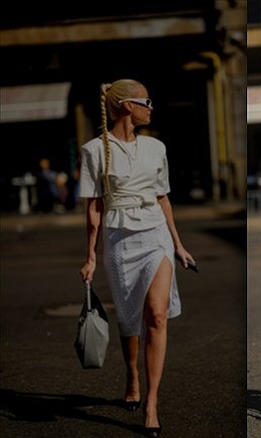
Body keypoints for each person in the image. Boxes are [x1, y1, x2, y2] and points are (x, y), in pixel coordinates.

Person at [78, 79, 196, 437]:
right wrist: (91, 258)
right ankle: (132, 375)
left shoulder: (156, 147)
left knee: (156, 315)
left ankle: (152, 403)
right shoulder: (93, 151)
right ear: (127, 106)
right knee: (130, 320)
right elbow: (94, 208)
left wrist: (177, 244)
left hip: (155, 236)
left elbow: (163, 198)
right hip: (119, 239)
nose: (151, 107)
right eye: (146, 101)